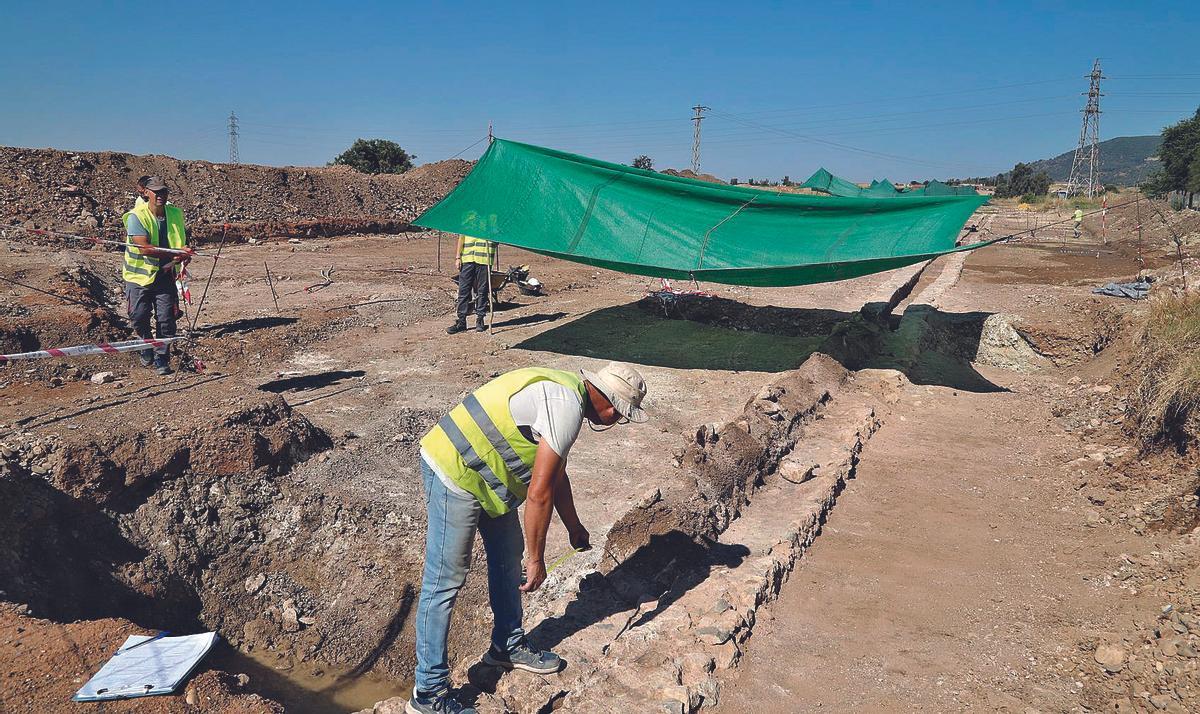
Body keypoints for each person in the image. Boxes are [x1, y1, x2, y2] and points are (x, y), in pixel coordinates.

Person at [408, 362, 649, 714]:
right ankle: (428, 694)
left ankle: (506, 645)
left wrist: (574, 527)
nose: (616, 422)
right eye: (621, 416)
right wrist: (537, 560)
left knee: (508, 559)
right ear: (612, 408)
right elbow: (538, 494)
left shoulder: (569, 396)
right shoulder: (565, 406)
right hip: (454, 470)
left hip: (485, 477)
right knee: (445, 580)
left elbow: (555, 474)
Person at [122, 176, 193, 375]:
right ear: (146, 192)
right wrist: (175, 253)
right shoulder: (136, 216)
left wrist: (185, 253)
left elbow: (182, 240)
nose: (160, 195)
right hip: (138, 277)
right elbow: (144, 248)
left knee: (166, 319)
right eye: (156, 191)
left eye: (163, 191)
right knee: (138, 316)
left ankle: (162, 357)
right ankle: (146, 344)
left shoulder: (175, 214)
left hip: (165, 275)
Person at [447, 234, 497, 334]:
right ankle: (461, 322)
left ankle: (480, 320)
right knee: (463, 290)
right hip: (467, 259)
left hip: (484, 259)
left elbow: (498, 238)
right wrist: (458, 257)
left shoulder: (492, 223)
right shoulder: (468, 223)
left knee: (482, 290)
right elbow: (461, 238)